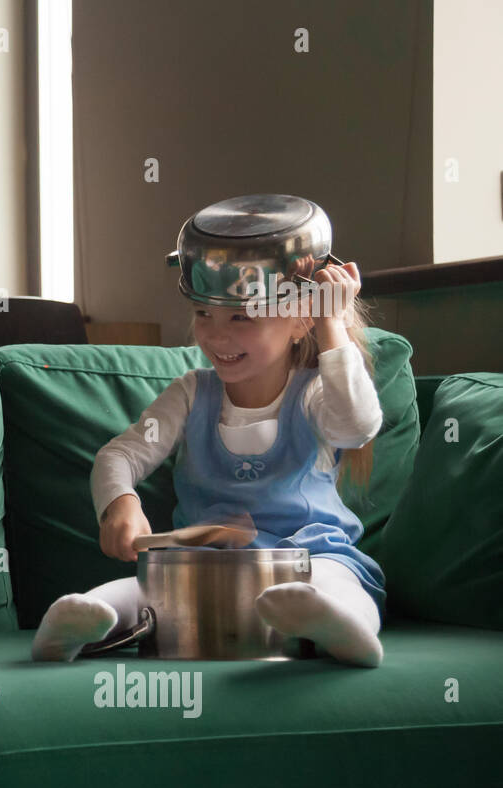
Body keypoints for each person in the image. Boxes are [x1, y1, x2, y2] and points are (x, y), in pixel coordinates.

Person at [32, 218, 386, 668]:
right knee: (142, 591)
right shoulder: (190, 394)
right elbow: (119, 455)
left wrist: (331, 322)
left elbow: (355, 427)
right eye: (204, 314)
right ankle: (82, 620)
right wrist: (120, 503)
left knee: (337, 579)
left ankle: (340, 625)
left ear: (300, 321)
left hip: (308, 556)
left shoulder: (316, 394)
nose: (216, 335)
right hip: (204, 572)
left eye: (241, 316)